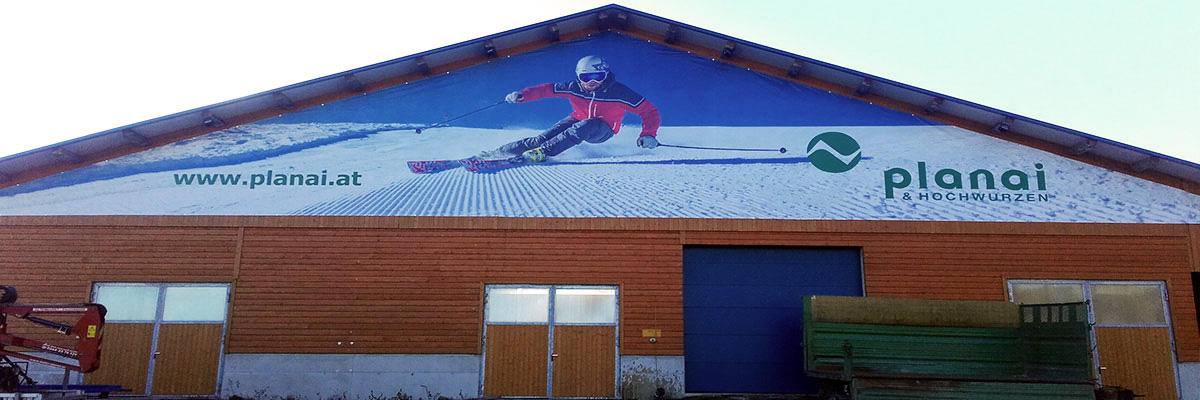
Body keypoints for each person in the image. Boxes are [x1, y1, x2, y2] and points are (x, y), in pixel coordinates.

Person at [477, 55, 662, 162]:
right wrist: (522, 95)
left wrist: (648, 134)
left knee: (587, 124)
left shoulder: (620, 92)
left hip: (603, 130)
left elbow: (649, 112)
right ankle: (498, 153)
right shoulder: (573, 87)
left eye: (598, 76)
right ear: (578, 76)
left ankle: (543, 154)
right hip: (578, 119)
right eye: (586, 77)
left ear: (605, 75)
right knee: (540, 138)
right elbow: (546, 89)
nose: (592, 82)